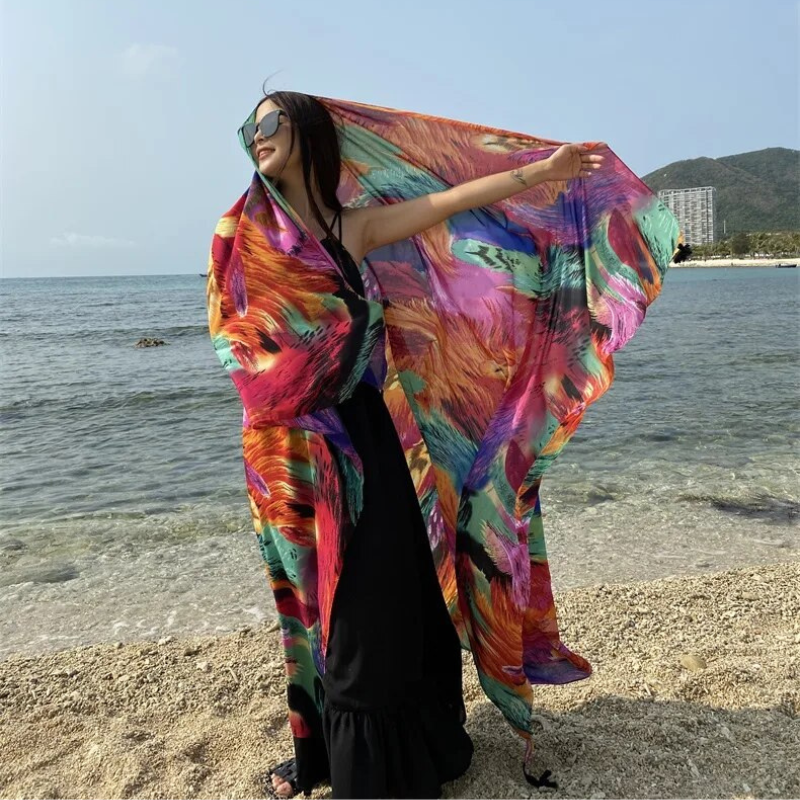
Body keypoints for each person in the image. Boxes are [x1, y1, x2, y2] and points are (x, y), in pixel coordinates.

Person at [225, 90, 602, 800]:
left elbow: (450, 202)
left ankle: (401, 753)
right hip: (287, 452)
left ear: (309, 132)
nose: (257, 135)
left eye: (271, 121)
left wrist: (542, 172)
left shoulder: (353, 228)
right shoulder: (243, 238)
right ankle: (329, 752)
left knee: (382, 595)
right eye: (250, 126)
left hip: (365, 438)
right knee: (319, 603)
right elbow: (240, 350)